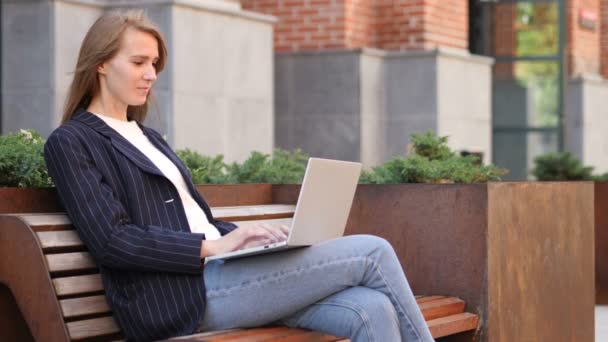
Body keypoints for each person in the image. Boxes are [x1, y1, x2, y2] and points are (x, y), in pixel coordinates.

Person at [43, 9, 435, 342]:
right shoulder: (72, 141)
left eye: (155, 65)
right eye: (139, 62)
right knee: (373, 251)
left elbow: (194, 219)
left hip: (227, 276)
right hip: (183, 296)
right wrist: (212, 247)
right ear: (100, 62)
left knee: (372, 308)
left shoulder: (149, 137)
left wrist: (254, 240)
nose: (151, 75)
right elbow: (113, 240)